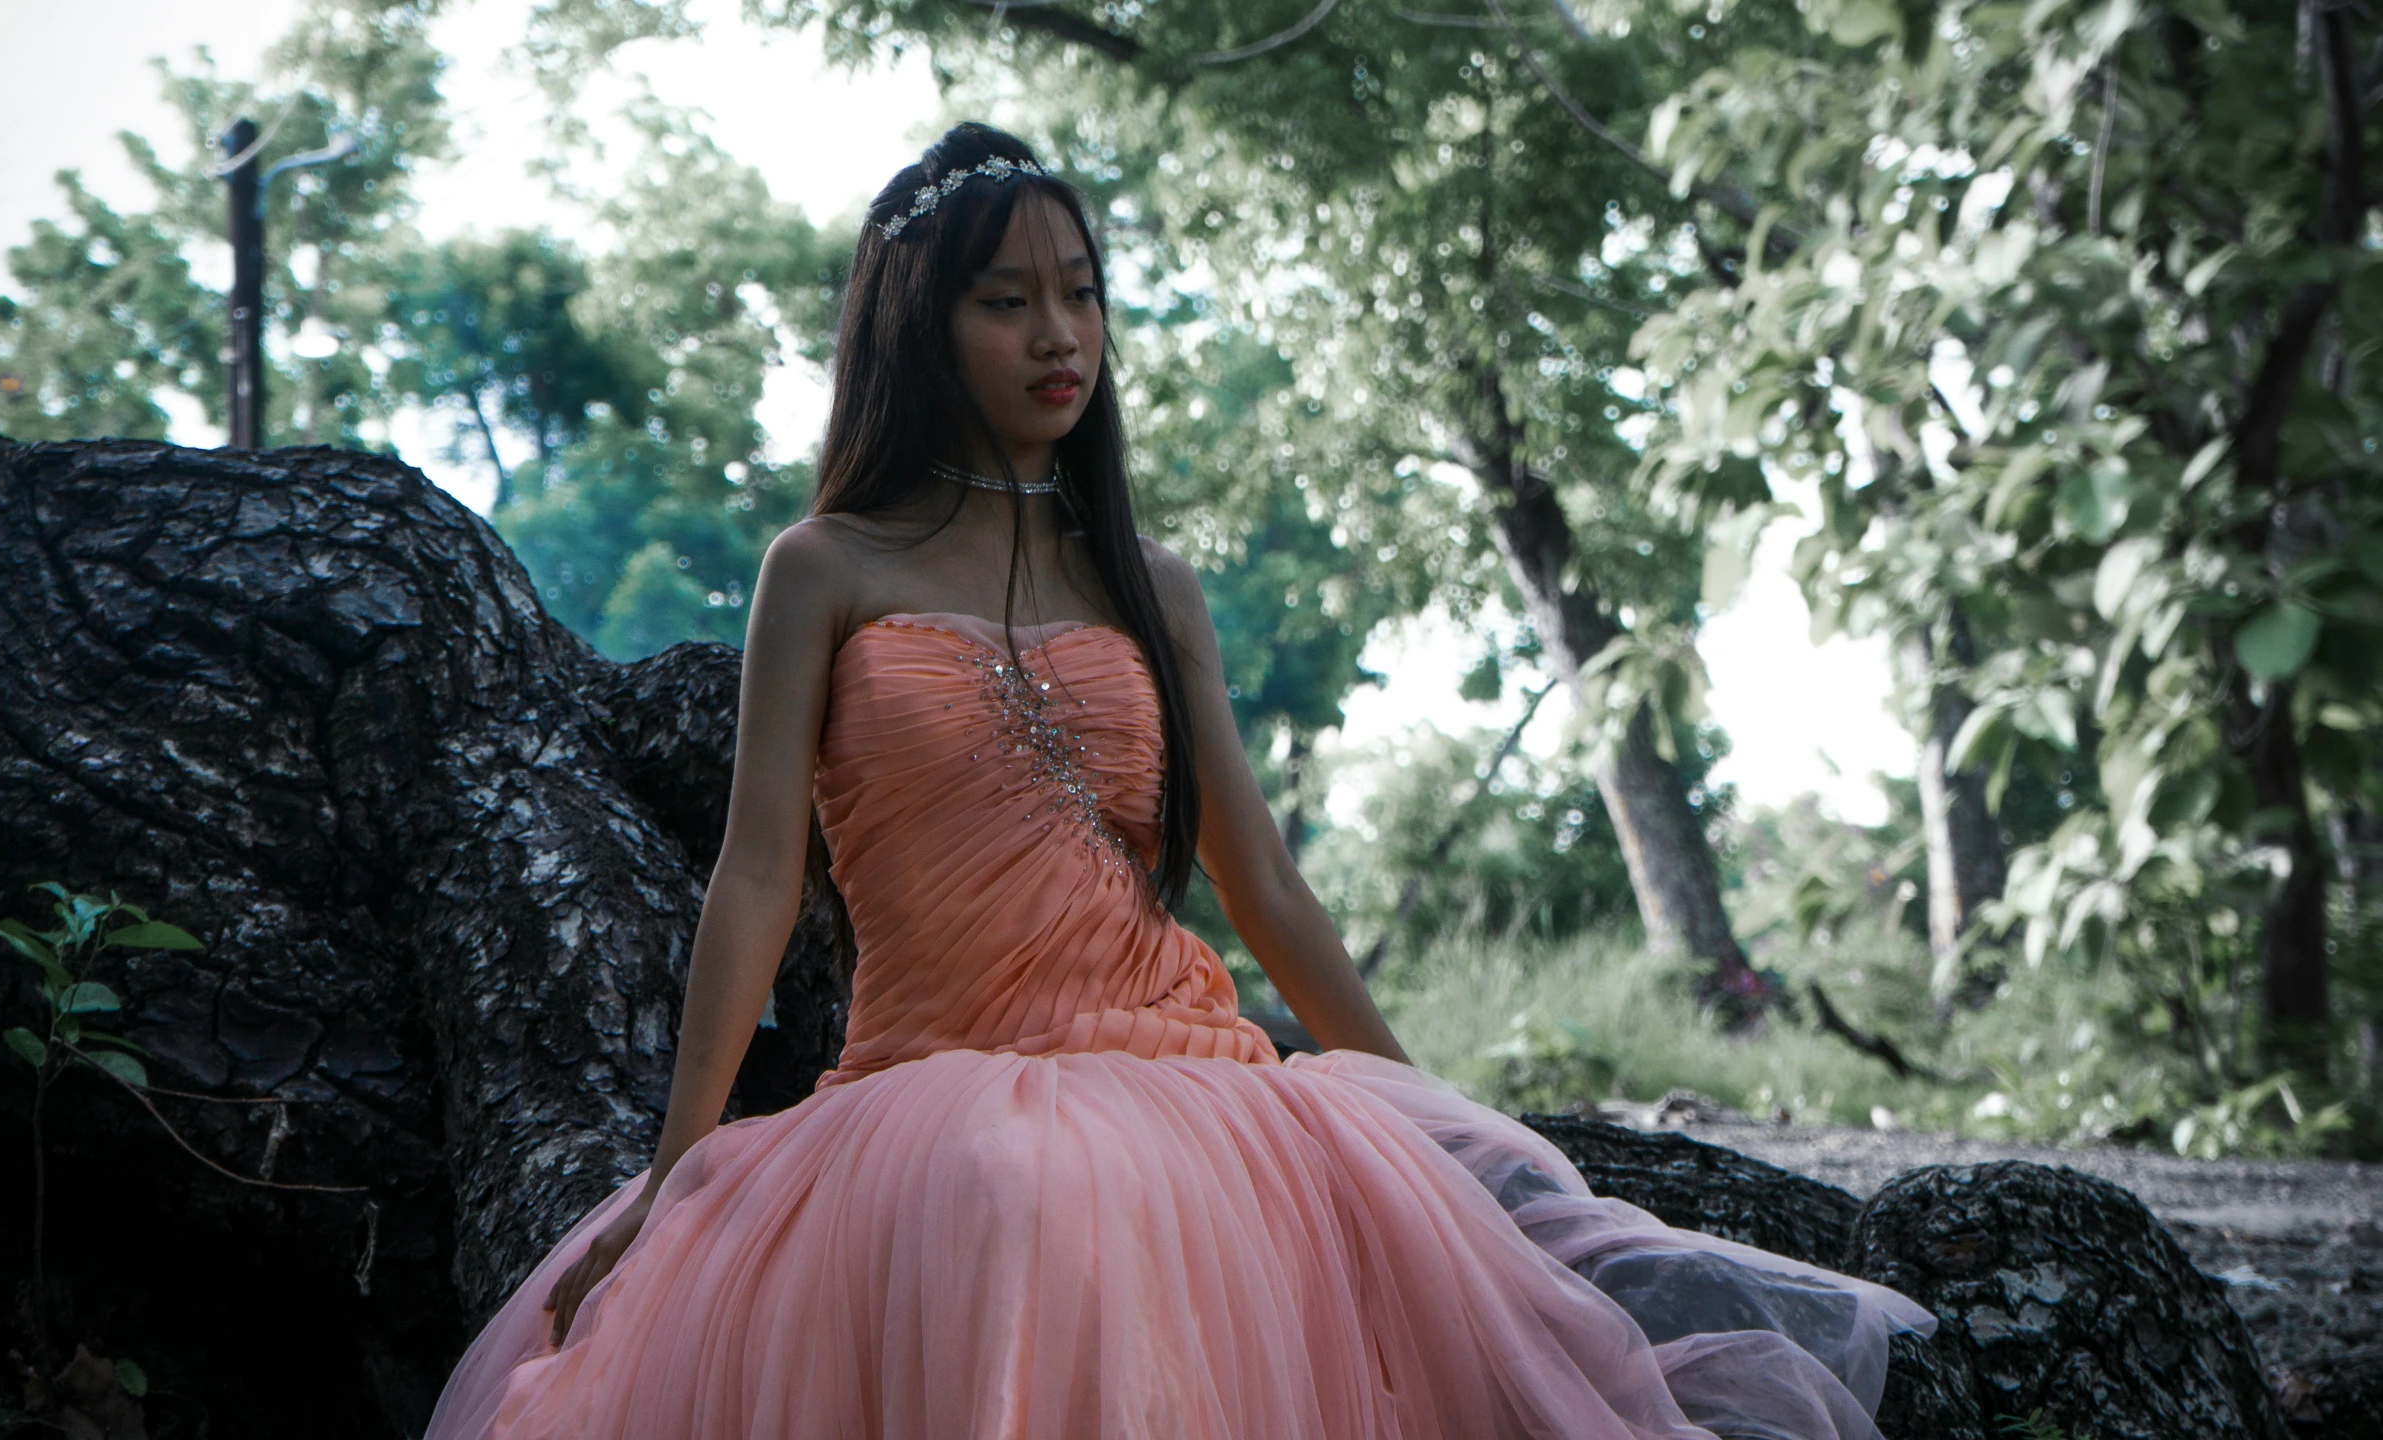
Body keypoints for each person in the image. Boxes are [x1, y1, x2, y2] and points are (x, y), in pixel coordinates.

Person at [423, 122, 1931, 1440]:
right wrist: (679, 1170)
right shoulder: (821, 568)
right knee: (1009, 1189)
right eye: (1007, 302)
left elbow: (1258, 881)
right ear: (915, 328)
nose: (1057, 335)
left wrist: (1433, 1120)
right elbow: (756, 872)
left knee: (1109, 1206)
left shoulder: (1151, 583)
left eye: (1079, 295)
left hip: (1179, 1066)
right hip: (930, 1079)